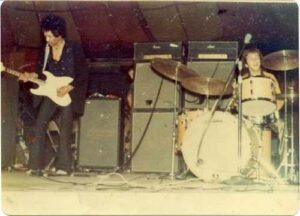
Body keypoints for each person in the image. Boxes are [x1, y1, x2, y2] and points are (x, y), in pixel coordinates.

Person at [19, 15, 89, 176]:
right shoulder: (45, 49)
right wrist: (30, 76)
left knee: (65, 128)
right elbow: (40, 72)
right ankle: (35, 165)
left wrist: (69, 87)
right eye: (45, 35)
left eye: (50, 36)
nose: (47, 39)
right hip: (51, 92)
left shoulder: (74, 48)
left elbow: (84, 72)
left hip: (68, 93)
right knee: (40, 123)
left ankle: (63, 167)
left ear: (59, 34)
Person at [240, 47, 284, 177]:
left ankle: (281, 168)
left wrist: (273, 110)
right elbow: (237, 102)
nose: (255, 61)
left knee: (283, 127)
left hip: (269, 117)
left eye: (257, 58)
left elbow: (280, 98)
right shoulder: (242, 80)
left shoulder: (270, 77)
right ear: (246, 63)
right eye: (251, 58)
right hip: (248, 118)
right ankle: (247, 170)